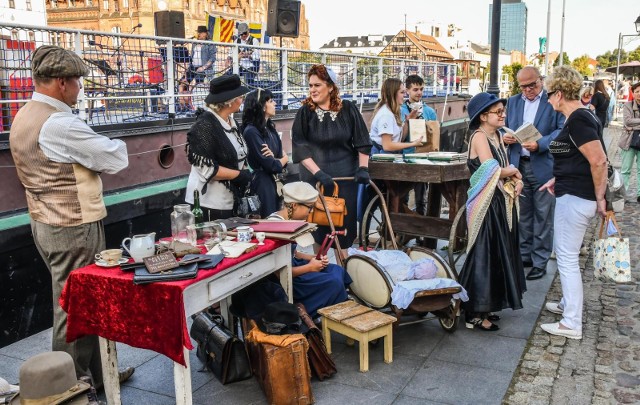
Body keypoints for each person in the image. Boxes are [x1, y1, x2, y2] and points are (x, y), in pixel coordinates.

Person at [8, 46, 132, 386]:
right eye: (78, 82)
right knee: (76, 307)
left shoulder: (24, 114)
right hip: (74, 226)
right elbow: (114, 158)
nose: (81, 88)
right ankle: (71, 383)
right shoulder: (60, 123)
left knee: (79, 302)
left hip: (44, 222)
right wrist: (108, 143)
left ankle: (98, 374)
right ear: (62, 83)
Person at [539, 65, 608, 340]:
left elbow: (599, 160)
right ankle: (568, 305)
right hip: (573, 191)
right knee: (568, 254)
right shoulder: (580, 117)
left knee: (566, 257)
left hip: (578, 197)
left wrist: (601, 197)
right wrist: (558, 178)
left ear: (558, 94)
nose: (547, 100)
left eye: (548, 95)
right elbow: (579, 158)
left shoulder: (578, 119)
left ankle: (571, 323)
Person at [459, 92, 526, 331]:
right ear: (483, 116)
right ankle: (473, 310)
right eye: (498, 112)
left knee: (497, 253)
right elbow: (492, 169)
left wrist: (517, 180)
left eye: (502, 111)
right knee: (483, 254)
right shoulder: (479, 136)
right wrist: (514, 172)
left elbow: (503, 170)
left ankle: (487, 304)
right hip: (484, 203)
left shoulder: (497, 135)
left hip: (499, 200)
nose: (503, 115)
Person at [292, 64, 372, 250]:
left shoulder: (348, 109)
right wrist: (319, 173)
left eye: (317, 85)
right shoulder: (305, 113)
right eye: (310, 85)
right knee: (319, 226)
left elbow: (362, 141)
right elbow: (300, 148)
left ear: (330, 87)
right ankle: (322, 267)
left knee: (343, 226)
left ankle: (344, 264)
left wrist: (363, 168)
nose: (312, 90)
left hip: (345, 179)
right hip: (317, 178)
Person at [504, 66, 565, 281]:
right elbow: (505, 127)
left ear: (541, 80)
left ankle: (540, 261)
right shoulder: (512, 101)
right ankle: (524, 255)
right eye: (524, 87)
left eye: (533, 85)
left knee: (543, 216)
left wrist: (541, 144)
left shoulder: (552, 101)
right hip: (517, 165)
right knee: (523, 214)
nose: (529, 90)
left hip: (543, 164)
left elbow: (561, 131)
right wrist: (506, 137)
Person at [267, 182, 352, 318]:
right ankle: (314, 316)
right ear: (294, 205)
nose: (311, 211)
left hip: (292, 266)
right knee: (333, 282)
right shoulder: (275, 226)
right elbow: (277, 273)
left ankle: (334, 308)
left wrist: (312, 258)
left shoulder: (289, 219)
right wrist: (310, 268)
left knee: (337, 270)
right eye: (309, 207)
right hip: (285, 278)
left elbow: (292, 252)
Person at [185, 74, 251, 220]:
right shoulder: (204, 126)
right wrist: (239, 175)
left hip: (229, 202)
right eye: (240, 97)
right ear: (229, 102)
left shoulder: (231, 122)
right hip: (209, 206)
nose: (242, 100)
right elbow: (208, 169)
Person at [242, 88, 288, 217]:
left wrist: (278, 160)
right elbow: (271, 165)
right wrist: (282, 159)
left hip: (273, 182)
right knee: (269, 221)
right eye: (271, 101)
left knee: (278, 220)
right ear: (262, 106)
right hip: (262, 184)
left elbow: (278, 161)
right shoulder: (251, 131)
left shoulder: (270, 129)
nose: (275, 104)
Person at [400, 74, 438, 215]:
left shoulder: (429, 111)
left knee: (421, 198)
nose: (419, 92)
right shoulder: (401, 110)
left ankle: (420, 234)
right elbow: (399, 138)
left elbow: (434, 137)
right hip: (405, 157)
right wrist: (409, 122)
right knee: (402, 197)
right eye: (415, 89)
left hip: (423, 158)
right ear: (407, 91)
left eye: (421, 89)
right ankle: (402, 230)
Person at [370, 78, 424, 153]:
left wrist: (407, 121)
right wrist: (412, 144)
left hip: (388, 155)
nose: (404, 95)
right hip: (381, 156)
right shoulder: (386, 115)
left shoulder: (394, 111)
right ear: (393, 94)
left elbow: (399, 139)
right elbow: (387, 146)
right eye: (402, 92)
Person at [178, 26, 217, 111]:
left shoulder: (210, 43)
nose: (200, 34)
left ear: (206, 34)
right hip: (193, 67)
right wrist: (186, 70)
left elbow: (212, 58)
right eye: (199, 32)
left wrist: (203, 67)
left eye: (202, 32)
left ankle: (198, 107)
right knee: (182, 83)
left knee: (198, 86)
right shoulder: (194, 43)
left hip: (204, 68)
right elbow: (192, 57)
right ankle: (183, 106)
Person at [620, 82, 640, 202]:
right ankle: (622, 194)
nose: (639, 94)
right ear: (633, 93)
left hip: (635, 136)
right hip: (628, 140)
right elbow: (627, 122)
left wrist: (634, 125)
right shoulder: (628, 105)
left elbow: (631, 124)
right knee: (626, 169)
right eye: (637, 91)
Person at [235, 22, 260, 87]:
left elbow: (257, 57)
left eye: (245, 33)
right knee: (227, 76)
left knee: (248, 81)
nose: (243, 35)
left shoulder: (254, 41)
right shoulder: (236, 41)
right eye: (241, 34)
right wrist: (229, 58)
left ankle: (248, 95)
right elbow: (231, 53)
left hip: (251, 66)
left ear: (248, 31)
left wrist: (248, 56)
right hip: (239, 66)